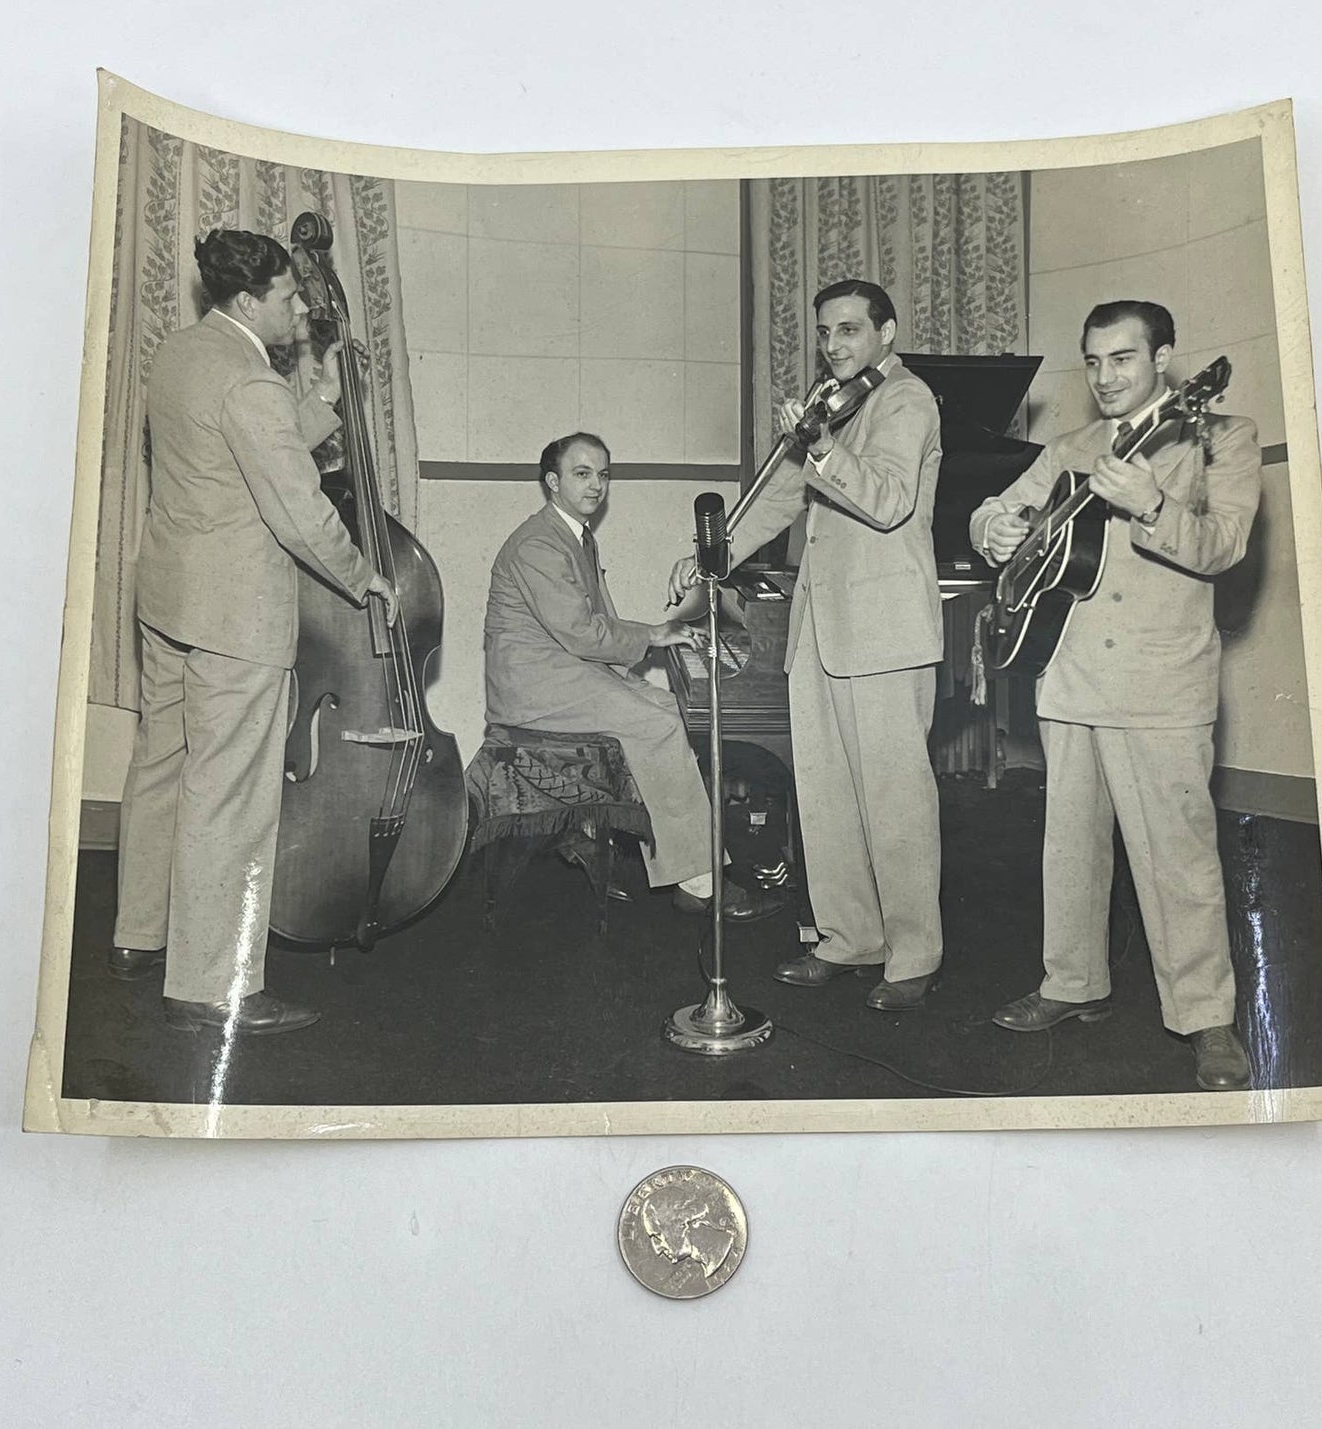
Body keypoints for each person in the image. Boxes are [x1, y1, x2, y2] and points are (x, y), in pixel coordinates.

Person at [109, 228, 397, 1036]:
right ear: (248, 301)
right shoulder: (251, 382)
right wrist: (360, 571)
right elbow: (299, 507)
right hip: (234, 611)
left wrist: (328, 399)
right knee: (229, 794)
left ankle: (139, 936)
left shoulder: (182, 354)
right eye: (287, 296)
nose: (300, 306)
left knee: (164, 765)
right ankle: (211, 983)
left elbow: (240, 448)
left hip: (169, 598)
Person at [970, 300, 1261, 1091]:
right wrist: (991, 525)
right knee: (1068, 849)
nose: (1104, 377)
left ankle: (1206, 1018)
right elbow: (997, 507)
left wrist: (1152, 505)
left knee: (1178, 859)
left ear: (1163, 358)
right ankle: (1071, 983)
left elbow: (1223, 548)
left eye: (1122, 359)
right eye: (1093, 361)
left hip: (1162, 682)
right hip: (1067, 675)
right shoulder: (1068, 446)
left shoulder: (1219, 438)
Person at [669, 279, 945, 1010]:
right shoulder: (838, 404)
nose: (834, 345)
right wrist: (712, 554)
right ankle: (849, 935)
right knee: (824, 796)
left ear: (886, 332)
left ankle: (914, 953)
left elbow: (887, 500)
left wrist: (822, 444)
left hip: (884, 631)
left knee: (895, 800)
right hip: (821, 628)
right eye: (825, 332)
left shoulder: (906, 400)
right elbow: (783, 494)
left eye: (850, 330)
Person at [482, 431, 781, 922]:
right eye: (582, 474)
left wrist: (648, 648)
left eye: (603, 475)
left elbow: (596, 622)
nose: (596, 485)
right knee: (657, 721)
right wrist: (655, 633)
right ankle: (702, 882)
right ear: (552, 482)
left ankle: (678, 863)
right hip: (531, 687)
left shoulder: (575, 536)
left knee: (662, 706)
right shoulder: (539, 543)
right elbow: (580, 633)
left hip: (559, 674)